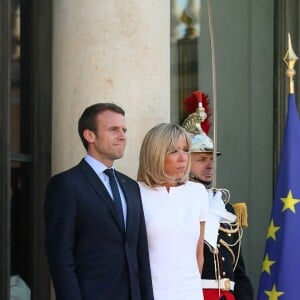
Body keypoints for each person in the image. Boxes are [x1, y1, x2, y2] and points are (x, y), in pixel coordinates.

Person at [44, 103, 154, 300]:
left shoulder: (130, 186)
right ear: (90, 136)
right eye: (114, 129)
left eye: (124, 130)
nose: (123, 136)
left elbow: (140, 255)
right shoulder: (66, 185)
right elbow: (61, 259)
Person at [182, 92, 254, 300]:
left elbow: (239, 272)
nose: (210, 165)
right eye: (202, 159)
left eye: (211, 159)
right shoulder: (177, 204)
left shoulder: (226, 209)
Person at [137, 123, 209, 300]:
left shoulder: (197, 192)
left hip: (190, 292)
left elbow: (198, 255)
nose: (183, 158)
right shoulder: (134, 192)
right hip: (150, 292)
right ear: (155, 154)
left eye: (185, 150)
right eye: (174, 151)